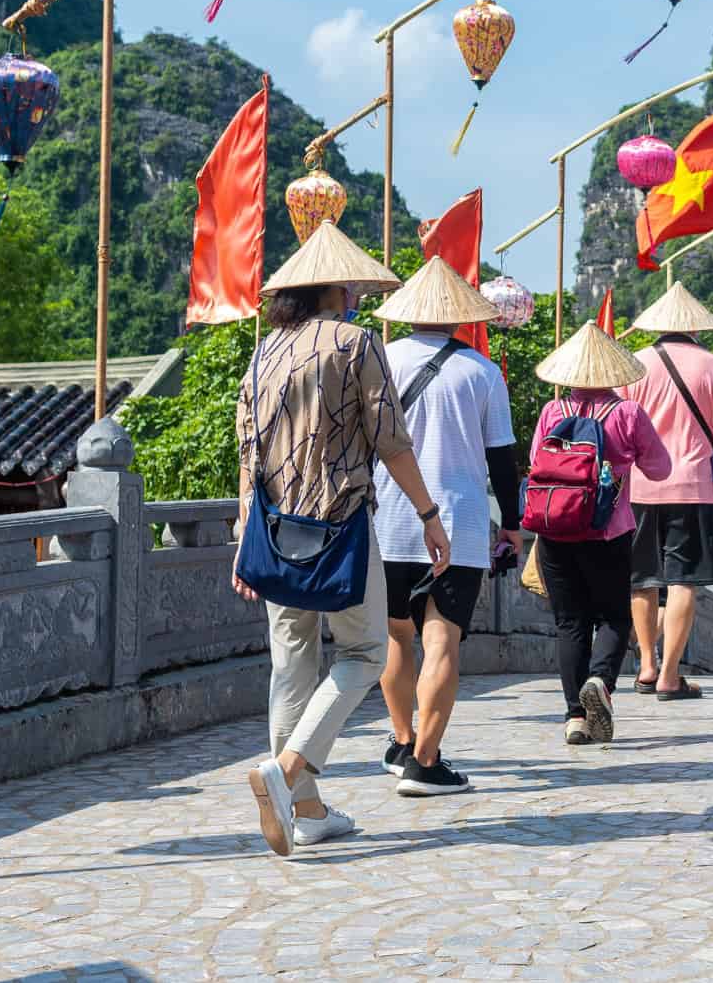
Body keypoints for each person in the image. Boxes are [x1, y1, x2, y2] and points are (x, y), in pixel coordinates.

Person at [233, 223, 452, 857]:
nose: (355, 291)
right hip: (341, 525)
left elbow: (248, 452)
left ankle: (307, 813)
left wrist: (244, 532)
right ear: (334, 287)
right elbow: (390, 438)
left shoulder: (263, 352)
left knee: (291, 663)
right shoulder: (356, 344)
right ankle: (290, 771)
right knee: (363, 654)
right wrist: (429, 515)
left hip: (275, 531)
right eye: (350, 282)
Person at [370, 256, 520, 798]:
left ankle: (402, 739)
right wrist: (514, 525)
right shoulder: (481, 372)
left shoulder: (381, 361)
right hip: (457, 521)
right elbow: (502, 460)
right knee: (442, 639)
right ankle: (425, 762)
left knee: (395, 633)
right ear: (460, 317)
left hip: (388, 518)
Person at [528, 322, 671, 745]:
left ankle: (574, 716)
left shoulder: (553, 412)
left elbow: (538, 463)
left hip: (555, 531)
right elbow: (660, 469)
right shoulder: (626, 413)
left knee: (569, 622)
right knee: (612, 615)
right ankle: (601, 680)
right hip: (608, 530)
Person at [621, 283, 713, 702]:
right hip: (694, 487)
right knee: (683, 582)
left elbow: (619, 427)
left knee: (641, 580)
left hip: (640, 486)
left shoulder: (633, 365)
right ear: (695, 327)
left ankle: (645, 664)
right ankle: (671, 675)